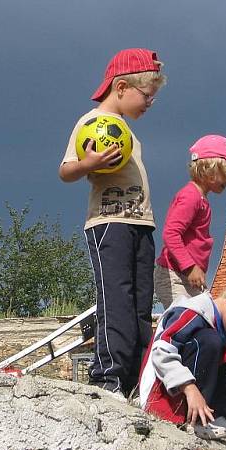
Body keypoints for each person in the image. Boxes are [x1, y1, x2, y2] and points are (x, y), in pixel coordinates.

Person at [59, 48, 167, 398]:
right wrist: (89, 163)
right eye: (146, 95)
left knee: (140, 305)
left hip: (141, 223)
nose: (150, 103)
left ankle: (135, 381)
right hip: (109, 223)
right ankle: (108, 378)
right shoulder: (92, 123)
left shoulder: (128, 132)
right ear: (121, 87)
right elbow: (66, 171)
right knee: (116, 301)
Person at [139, 271, 226, 439]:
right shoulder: (191, 313)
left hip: (198, 400)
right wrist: (189, 388)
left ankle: (217, 418)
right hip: (161, 399)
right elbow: (161, 353)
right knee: (210, 340)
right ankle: (195, 421)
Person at [154, 135, 226, 308]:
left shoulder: (200, 199)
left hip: (186, 275)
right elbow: (171, 234)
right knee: (185, 321)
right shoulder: (190, 197)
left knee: (204, 317)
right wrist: (190, 267)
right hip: (174, 275)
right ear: (210, 169)